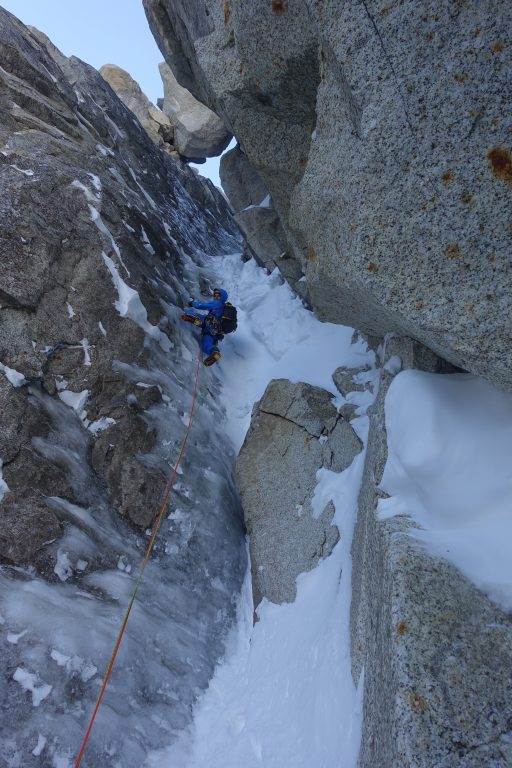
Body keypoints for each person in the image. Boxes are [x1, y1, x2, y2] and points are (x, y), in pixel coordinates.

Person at [181, 287, 228, 366]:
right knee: (206, 345)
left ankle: (194, 319)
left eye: (218, 295)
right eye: (215, 295)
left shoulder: (217, 303)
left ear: (222, 297)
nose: (216, 297)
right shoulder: (224, 307)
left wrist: (192, 303)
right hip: (214, 332)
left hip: (208, 324)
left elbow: (202, 306)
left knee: (191, 313)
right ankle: (215, 353)